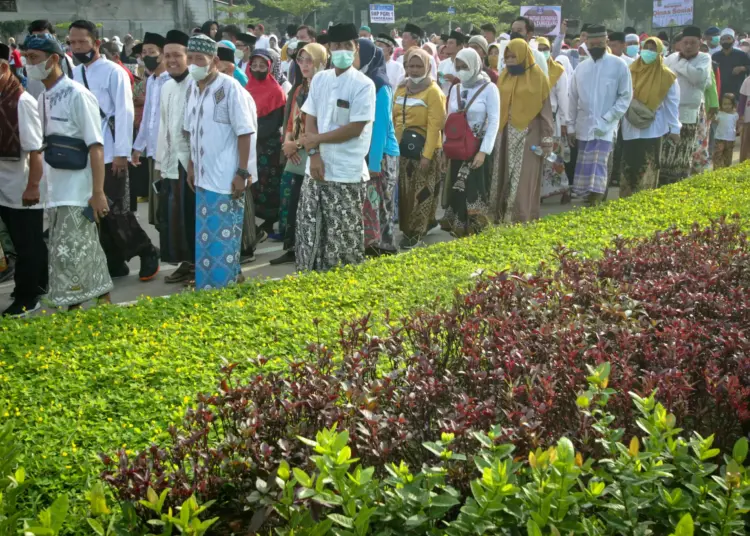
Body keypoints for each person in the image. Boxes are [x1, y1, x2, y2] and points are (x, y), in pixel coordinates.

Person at [25, 34, 114, 310]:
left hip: (78, 188)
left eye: (34, 59)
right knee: (67, 250)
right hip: (55, 189)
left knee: (80, 246)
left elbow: (95, 146)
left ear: (53, 60)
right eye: (27, 58)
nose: (29, 64)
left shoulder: (78, 94)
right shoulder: (43, 98)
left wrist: (98, 192)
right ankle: (77, 302)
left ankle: (97, 299)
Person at [69, 20, 160, 280]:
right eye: (72, 42)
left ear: (96, 43)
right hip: (85, 155)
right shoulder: (74, 74)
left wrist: (121, 153)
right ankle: (114, 260)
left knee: (116, 210)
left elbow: (124, 112)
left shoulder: (114, 72)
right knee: (96, 213)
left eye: (82, 42)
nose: (76, 47)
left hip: (111, 153)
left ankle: (146, 250)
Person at [296, 23, 376, 270]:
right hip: (316, 169)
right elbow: (310, 116)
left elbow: (355, 128)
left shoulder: (363, 85)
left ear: (355, 49)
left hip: (346, 172)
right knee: (310, 230)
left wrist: (316, 140)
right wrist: (314, 154)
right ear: (329, 49)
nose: (342, 50)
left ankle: (342, 290)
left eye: (347, 46)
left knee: (342, 237)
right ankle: (308, 282)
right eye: (337, 46)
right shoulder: (320, 79)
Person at [183, 34, 256, 289]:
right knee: (205, 238)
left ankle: (222, 289)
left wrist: (242, 172)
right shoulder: (192, 87)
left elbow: (244, 131)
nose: (193, 63)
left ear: (214, 60)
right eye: (189, 58)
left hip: (226, 177)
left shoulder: (229, 87)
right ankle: (209, 287)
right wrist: (191, 166)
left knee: (224, 237)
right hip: (203, 176)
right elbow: (190, 130)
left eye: (199, 59)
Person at [271, 43, 328, 266]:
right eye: (301, 60)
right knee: (291, 200)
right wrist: (287, 142)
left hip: (312, 152)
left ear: (322, 61)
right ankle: (292, 246)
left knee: (309, 203)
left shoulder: (324, 88)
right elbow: (289, 119)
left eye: (309, 60)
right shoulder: (299, 88)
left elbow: (321, 125)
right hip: (294, 150)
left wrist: (297, 145)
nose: (304, 65)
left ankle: (308, 247)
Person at [0, 43, 46, 316]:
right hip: (3, 186)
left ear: (4, 69)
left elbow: (36, 151)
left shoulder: (21, 101)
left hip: (23, 186)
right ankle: (37, 284)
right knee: (19, 244)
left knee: (28, 244)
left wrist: (32, 187)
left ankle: (29, 296)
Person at [567, 25, 632, 205]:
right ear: (586, 42)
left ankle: (597, 203)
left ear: (606, 42)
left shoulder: (618, 65)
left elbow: (625, 96)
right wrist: (570, 126)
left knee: (600, 168)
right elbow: (572, 98)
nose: (595, 47)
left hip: (606, 127)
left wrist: (608, 118)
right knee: (585, 172)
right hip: (583, 127)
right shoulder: (581, 68)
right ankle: (589, 205)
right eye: (592, 44)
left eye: (599, 44)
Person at [492, 39, 553, 223]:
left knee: (523, 180)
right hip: (504, 135)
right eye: (507, 57)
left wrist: (547, 140)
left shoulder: (538, 78)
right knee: (501, 176)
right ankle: (500, 217)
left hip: (529, 136)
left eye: (514, 56)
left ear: (524, 56)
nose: (510, 61)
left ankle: (520, 218)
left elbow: (546, 112)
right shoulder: (503, 76)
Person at [441, 48, 500, 236]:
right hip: (457, 148)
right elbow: (449, 120)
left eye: (464, 66)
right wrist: (445, 148)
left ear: (474, 64)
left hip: (477, 148)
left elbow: (494, 121)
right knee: (458, 188)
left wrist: (484, 151)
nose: (461, 70)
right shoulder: (456, 88)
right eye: (458, 67)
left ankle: (476, 228)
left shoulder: (489, 89)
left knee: (474, 187)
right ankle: (459, 228)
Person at [392, 48, 445, 248]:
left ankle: (416, 233)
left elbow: (435, 126)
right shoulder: (401, 88)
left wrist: (427, 155)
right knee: (405, 193)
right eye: (410, 66)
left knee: (422, 193)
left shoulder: (433, 91)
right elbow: (394, 118)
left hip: (424, 150)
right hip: (403, 149)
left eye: (418, 66)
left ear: (428, 66)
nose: (413, 70)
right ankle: (415, 227)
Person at [155, 30, 195, 284]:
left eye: (176, 55)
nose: (171, 60)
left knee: (192, 215)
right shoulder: (166, 85)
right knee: (174, 216)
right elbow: (162, 124)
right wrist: (160, 161)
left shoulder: (198, 83)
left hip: (192, 162)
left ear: (188, 57)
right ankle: (186, 262)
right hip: (172, 160)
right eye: (167, 55)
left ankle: (198, 264)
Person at [621, 37, 680, 197]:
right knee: (629, 165)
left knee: (648, 165)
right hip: (630, 124)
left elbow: (672, 104)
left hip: (653, 127)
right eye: (646, 47)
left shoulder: (667, 76)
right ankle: (625, 201)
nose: (648, 51)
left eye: (653, 49)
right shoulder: (630, 70)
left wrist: (675, 128)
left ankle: (644, 199)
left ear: (660, 52)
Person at [356, 38, 400, 255]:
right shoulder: (362, 81)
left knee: (381, 204)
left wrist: (374, 163)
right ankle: (372, 246)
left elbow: (380, 128)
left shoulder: (381, 85)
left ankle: (385, 248)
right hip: (367, 151)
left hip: (381, 153)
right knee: (369, 204)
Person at [244, 49, 286, 237]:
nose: (258, 69)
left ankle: (270, 221)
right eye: (254, 65)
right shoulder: (246, 89)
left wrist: (251, 133)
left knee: (268, 183)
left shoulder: (276, 90)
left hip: (268, 146)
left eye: (262, 66)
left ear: (269, 68)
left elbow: (274, 122)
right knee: (253, 184)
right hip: (250, 144)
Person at [662, 26, 712, 185]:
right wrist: (680, 63)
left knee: (684, 152)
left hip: (689, 114)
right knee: (666, 152)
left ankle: (680, 183)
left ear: (700, 43)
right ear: (680, 43)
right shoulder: (670, 58)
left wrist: (681, 62)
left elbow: (698, 77)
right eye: (685, 42)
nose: (688, 46)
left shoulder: (704, 58)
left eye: (693, 43)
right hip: (668, 113)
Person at [131, 32, 168, 227]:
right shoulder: (151, 81)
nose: (146, 57)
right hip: (153, 150)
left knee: (167, 198)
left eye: (151, 52)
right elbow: (147, 117)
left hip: (167, 150)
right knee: (156, 196)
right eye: (144, 53)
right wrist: (138, 147)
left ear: (162, 54)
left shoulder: (171, 81)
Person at [535, 36, 570, 200]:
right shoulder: (532, 70)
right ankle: (539, 191)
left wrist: (565, 122)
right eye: (539, 49)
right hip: (535, 119)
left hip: (553, 119)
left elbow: (563, 98)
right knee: (538, 154)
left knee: (554, 156)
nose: (542, 52)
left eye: (545, 49)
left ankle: (563, 189)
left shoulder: (557, 70)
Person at [25, 20, 76, 99]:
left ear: (54, 36)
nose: (40, 42)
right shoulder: (28, 62)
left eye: (44, 37)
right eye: (35, 38)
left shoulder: (65, 60)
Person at [713, 28, 750, 98]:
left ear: (733, 41)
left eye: (728, 39)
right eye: (723, 39)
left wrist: (742, 68)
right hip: (720, 91)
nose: (725, 41)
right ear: (720, 42)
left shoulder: (741, 55)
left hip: (737, 91)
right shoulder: (715, 56)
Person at [713, 93, 739, 168]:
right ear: (721, 104)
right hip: (719, 138)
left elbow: (737, 125)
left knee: (728, 156)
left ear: (733, 104)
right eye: (724, 104)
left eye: (729, 104)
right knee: (718, 155)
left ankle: (726, 171)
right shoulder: (720, 113)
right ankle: (716, 172)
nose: (727, 106)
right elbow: (715, 120)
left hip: (730, 139)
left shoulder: (735, 115)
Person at [438, 30, 465, 95]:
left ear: (460, 46)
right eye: (447, 43)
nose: (447, 45)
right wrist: (438, 80)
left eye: (451, 43)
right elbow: (440, 84)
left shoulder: (466, 64)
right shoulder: (442, 64)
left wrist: (454, 80)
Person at [740, 75, 750, 161]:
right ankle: (744, 163)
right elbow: (742, 99)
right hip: (748, 117)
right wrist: (741, 114)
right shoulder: (747, 80)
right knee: (746, 141)